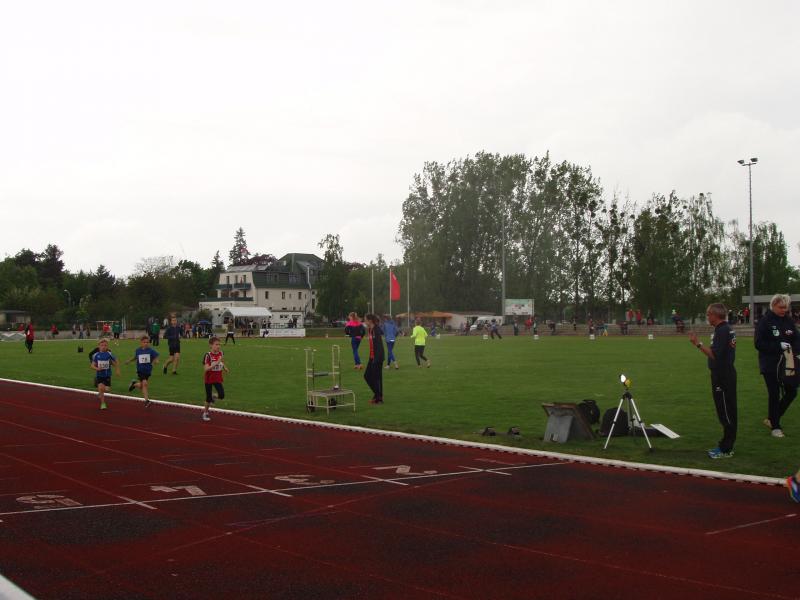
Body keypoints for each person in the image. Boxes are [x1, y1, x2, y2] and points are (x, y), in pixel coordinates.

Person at [688, 303, 737, 459]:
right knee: (726, 411)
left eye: (708, 314)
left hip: (723, 376)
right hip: (724, 374)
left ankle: (726, 449)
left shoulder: (722, 330)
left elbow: (714, 355)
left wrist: (697, 343)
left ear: (715, 315)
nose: (707, 317)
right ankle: (726, 445)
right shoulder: (724, 329)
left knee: (726, 412)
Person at [754, 294, 800, 438]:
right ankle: (775, 427)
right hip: (770, 364)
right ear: (773, 305)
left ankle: (772, 418)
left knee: (792, 391)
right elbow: (758, 343)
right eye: (781, 307)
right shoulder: (764, 321)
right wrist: (777, 345)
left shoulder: (788, 320)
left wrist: (796, 350)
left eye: (785, 308)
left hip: (788, 362)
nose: (783, 310)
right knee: (774, 393)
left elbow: (797, 338)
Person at [127, 335, 159, 407]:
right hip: (140, 370)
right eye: (144, 342)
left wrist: (155, 361)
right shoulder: (138, 350)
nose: (146, 343)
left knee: (142, 385)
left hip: (148, 370)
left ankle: (134, 384)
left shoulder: (151, 350)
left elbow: (156, 356)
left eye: (147, 342)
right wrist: (129, 361)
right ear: (141, 342)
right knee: (145, 384)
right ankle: (147, 401)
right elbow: (135, 357)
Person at [202, 336, 229, 422]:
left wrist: (224, 367)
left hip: (217, 378)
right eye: (216, 344)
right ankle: (205, 413)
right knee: (208, 398)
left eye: (219, 344)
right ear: (211, 345)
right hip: (209, 379)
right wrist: (215, 363)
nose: (218, 346)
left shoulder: (221, 353)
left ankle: (214, 396)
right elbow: (206, 369)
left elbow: (221, 361)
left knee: (221, 395)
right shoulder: (208, 355)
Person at [91, 338, 121, 410]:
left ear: (107, 346)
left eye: (105, 345)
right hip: (99, 375)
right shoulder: (96, 355)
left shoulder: (109, 354)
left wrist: (117, 370)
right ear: (99, 346)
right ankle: (103, 403)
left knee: (107, 390)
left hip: (107, 375)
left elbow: (116, 361)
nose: (103, 347)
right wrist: (97, 368)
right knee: (101, 388)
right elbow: (92, 365)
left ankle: (100, 392)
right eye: (102, 345)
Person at [363, 314, 385, 404]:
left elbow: (379, 345)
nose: (365, 322)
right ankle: (378, 395)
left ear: (370, 321)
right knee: (367, 376)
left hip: (377, 357)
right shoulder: (370, 329)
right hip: (372, 357)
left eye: (365, 320)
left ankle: (378, 397)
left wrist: (376, 359)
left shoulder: (376, 329)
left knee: (377, 378)